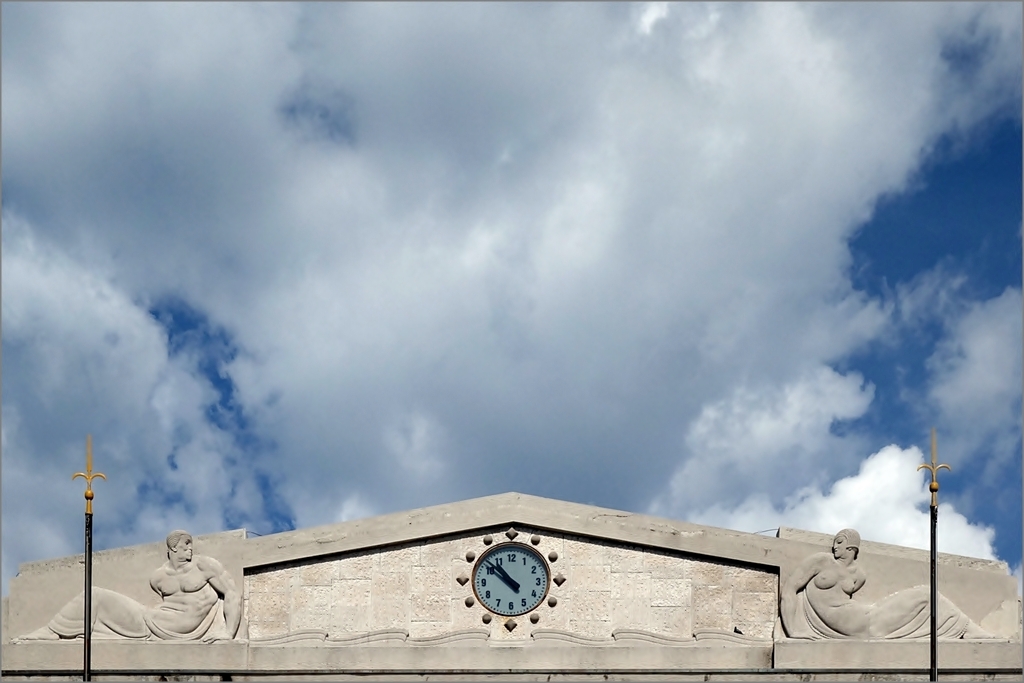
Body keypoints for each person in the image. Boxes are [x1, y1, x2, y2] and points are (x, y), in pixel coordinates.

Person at [19, 531, 242, 641]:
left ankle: (58, 631)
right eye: (185, 545)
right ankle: (52, 631)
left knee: (97, 601)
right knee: (94, 595)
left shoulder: (205, 566)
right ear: (173, 548)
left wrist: (228, 633)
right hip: (149, 621)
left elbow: (232, 594)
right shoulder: (158, 578)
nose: (190, 549)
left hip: (178, 629)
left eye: (191, 545)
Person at [779, 528, 993, 640]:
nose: (835, 547)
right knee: (926, 596)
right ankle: (967, 629)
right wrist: (794, 630)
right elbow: (789, 590)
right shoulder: (820, 561)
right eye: (835, 543)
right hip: (858, 625)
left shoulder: (858, 575)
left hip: (866, 617)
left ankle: (966, 629)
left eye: (840, 542)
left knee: (926, 594)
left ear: (852, 547)